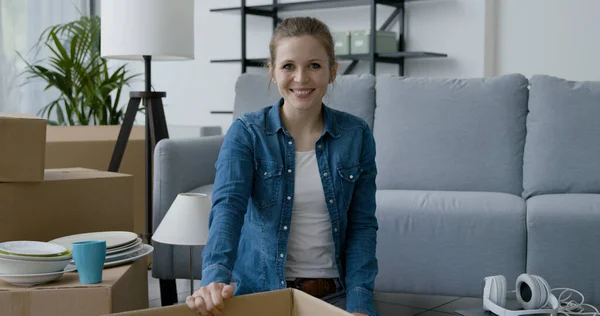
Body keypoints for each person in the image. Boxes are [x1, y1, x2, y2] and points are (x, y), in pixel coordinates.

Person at [186, 16, 379, 316]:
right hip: (262, 295)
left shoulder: (356, 134)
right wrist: (214, 280)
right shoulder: (247, 133)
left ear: (332, 72)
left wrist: (359, 304)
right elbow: (228, 209)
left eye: (314, 65)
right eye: (289, 66)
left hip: (334, 297)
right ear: (273, 72)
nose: (301, 78)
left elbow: (362, 226)